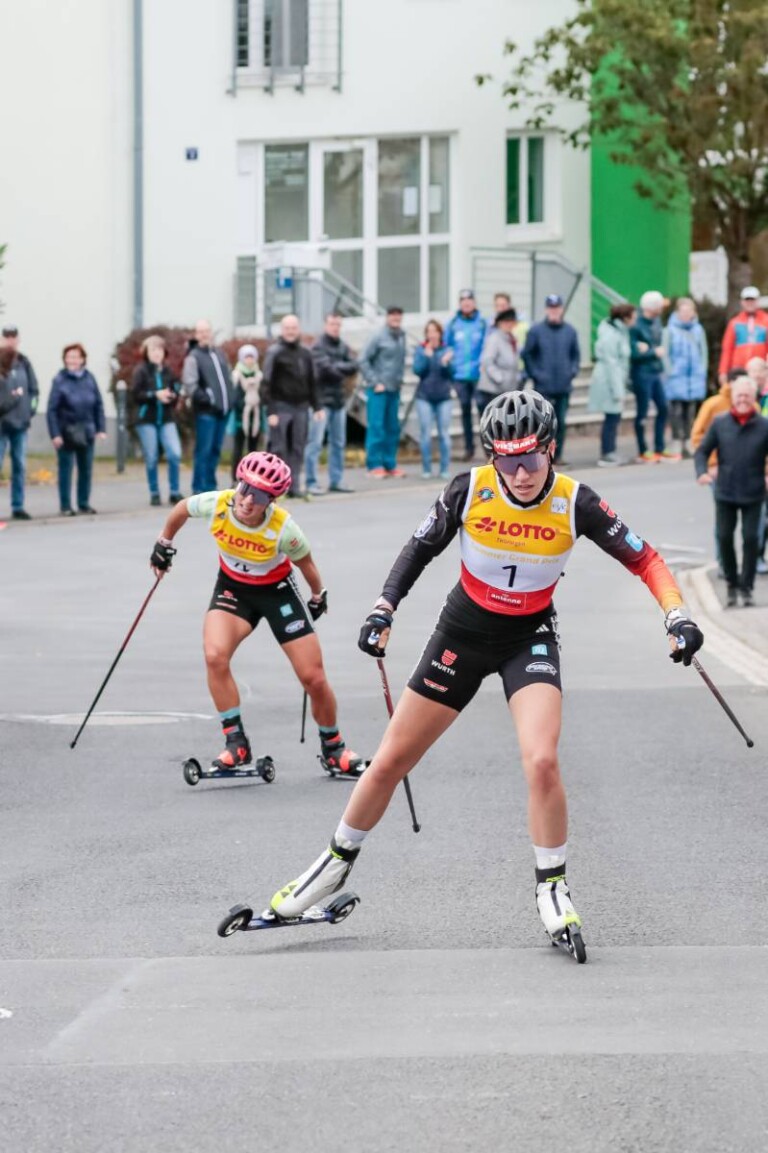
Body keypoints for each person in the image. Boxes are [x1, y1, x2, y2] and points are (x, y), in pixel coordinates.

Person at [261, 391, 703, 951]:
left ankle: (553, 886)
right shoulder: (469, 489)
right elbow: (418, 550)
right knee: (392, 759)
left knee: (541, 760)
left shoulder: (576, 501)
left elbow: (646, 559)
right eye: (507, 459)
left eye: (531, 459)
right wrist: (383, 609)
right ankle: (332, 866)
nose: (519, 473)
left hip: (529, 638)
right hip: (462, 634)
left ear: (551, 449)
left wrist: (677, 615)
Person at [149, 451, 365, 775]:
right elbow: (181, 509)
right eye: (245, 488)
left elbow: (308, 566)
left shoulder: (285, 530)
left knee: (313, 677)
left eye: (260, 495)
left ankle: (333, 747)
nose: (248, 500)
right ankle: (235, 743)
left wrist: (318, 597)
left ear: (272, 500)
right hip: (234, 589)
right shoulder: (218, 504)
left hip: (277, 593)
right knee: (214, 656)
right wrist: (163, 544)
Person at [694, 377, 768, 607]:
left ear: (754, 397)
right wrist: (702, 472)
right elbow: (702, 451)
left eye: (747, 395)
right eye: (739, 396)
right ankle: (731, 584)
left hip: (754, 491)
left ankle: (746, 588)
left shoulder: (764, 425)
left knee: (751, 539)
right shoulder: (720, 422)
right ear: (733, 398)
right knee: (724, 538)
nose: (743, 400)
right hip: (726, 490)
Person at [262, 315, 321, 498]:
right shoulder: (275, 352)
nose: (291, 331)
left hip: (301, 408)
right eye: (287, 328)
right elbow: (266, 383)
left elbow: (312, 380)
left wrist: (317, 406)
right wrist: (270, 410)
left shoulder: (305, 353)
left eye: (294, 327)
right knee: (279, 449)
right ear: (282, 330)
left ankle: (294, 486)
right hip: (280, 407)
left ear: (298, 329)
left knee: (297, 448)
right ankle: (276, 488)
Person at [47, 343, 107, 516]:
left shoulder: (89, 378)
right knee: (65, 470)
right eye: (69, 357)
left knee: (86, 470)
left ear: (82, 359)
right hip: (66, 432)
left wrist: (100, 428)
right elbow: (52, 409)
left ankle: (83, 503)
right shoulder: (59, 380)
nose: (72, 360)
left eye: (75, 357)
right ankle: (65, 506)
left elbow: (98, 404)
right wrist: (55, 433)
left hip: (87, 430)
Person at [521, 295, 581, 464]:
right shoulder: (536, 331)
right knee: (543, 424)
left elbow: (575, 355)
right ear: (547, 309)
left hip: (563, 385)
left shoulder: (570, 331)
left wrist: (572, 371)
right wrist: (536, 374)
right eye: (551, 308)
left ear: (561, 309)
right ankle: (541, 456)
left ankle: (558, 455)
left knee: (560, 422)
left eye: (557, 308)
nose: (554, 311)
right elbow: (527, 354)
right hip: (543, 387)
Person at [305, 313, 359, 495]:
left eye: (338, 324)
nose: (335, 327)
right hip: (321, 403)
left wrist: (338, 367)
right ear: (325, 325)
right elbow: (326, 369)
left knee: (338, 443)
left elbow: (354, 365)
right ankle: (311, 482)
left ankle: (336, 480)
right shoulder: (318, 347)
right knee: (315, 443)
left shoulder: (342, 346)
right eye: (332, 324)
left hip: (338, 402)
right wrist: (340, 368)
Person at [131, 335, 184, 506]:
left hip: (166, 418)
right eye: (153, 349)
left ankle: (174, 492)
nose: (156, 353)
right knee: (152, 456)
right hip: (147, 420)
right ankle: (154, 492)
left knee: (175, 454)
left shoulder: (168, 371)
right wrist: (154, 395)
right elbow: (135, 395)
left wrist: (173, 395)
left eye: (159, 349)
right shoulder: (141, 371)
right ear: (147, 352)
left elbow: (176, 389)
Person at [182, 320, 233, 495]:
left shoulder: (219, 354)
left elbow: (227, 379)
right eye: (201, 331)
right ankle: (198, 487)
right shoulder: (193, 357)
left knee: (215, 450)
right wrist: (208, 399)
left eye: (207, 331)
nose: (204, 334)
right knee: (203, 451)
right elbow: (190, 385)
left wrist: (230, 400)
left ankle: (211, 487)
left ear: (211, 333)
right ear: (196, 335)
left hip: (223, 412)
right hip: (206, 413)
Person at [629, 290, 677, 463]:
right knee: (642, 411)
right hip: (641, 373)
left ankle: (660, 446)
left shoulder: (656, 321)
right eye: (659, 306)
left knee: (663, 407)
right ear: (652, 307)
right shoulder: (636, 325)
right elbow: (633, 353)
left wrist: (650, 351)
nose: (662, 309)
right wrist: (651, 352)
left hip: (656, 371)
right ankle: (643, 450)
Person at [360, 306, 407, 478]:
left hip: (394, 389)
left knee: (392, 428)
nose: (396, 318)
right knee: (377, 427)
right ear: (387, 317)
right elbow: (363, 359)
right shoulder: (378, 336)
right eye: (393, 315)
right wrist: (374, 382)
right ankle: (374, 464)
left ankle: (390, 463)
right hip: (378, 390)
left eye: (398, 316)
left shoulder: (401, 335)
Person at [588, 303, 636, 467]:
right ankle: (607, 453)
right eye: (633, 316)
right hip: (608, 382)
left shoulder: (618, 332)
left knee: (613, 417)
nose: (635, 319)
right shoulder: (612, 334)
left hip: (613, 380)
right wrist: (618, 391)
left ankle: (610, 451)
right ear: (625, 317)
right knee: (612, 418)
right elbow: (612, 364)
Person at [0, 325, 39, 520]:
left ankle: (18, 505)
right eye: (6, 336)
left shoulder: (24, 362)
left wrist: (30, 411)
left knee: (19, 465)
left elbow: (34, 391)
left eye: (13, 336)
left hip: (20, 424)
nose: (10, 340)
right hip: (1, 423)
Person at [662, 297, 708, 458]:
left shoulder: (698, 330)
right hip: (677, 376)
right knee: (676, 409)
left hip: (693, 376)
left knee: (690, 410)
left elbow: (703, 352)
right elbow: (665, 353)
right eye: (683, 311)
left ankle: (689, 439)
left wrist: (702, 370)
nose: (686, 314)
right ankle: (676, 439)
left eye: (689, 311)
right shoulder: (669, 330)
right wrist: (670, 371)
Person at [444, 289, 487, 462]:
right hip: (460, 376)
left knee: (483, 414)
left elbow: (487, 345)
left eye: (469, 300)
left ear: (474, 303)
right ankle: (469, 449)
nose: (466, 303)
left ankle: (488, 450)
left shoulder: (483, 323)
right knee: (465, 413)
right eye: (463, 300)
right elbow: (447, 345)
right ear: (460, 303)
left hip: (478, 375)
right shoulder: (453, 324)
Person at [412, 319, 454, 480]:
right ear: (426, 334)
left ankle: (444, 468)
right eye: (429, 331)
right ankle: (426, 468)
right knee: (425, 434)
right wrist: (426, 358)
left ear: (440, 333)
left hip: (444, 397)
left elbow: (451, 373)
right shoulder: (421, 350)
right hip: (425, 397)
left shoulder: (447, 350)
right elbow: (417, 370)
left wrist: (445, 363)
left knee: (444, 433)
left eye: (435, 331)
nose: (432, 334)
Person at [718, 286, 768, 382]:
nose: (750, 303)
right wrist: (723, 371)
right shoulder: (734, 322)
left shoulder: (766, 321)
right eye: (747, 300)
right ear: (742, 302)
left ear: (757, 301)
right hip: (738, 370)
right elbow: (727, 349)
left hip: (760, 370)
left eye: (752, 300)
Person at [476, 307, 520, 417]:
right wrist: (500, 378)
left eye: (511, 321)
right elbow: (487, 361)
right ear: (499, 323)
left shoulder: (511, 339)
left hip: (506, 391)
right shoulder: (494, 338)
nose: (509, 324)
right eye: (506, 322)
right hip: (492, 391)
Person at [230, 344, 264, 482]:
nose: (249, 360)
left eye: (252, 357)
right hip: (240, 417)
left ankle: (251, 477)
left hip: (255, 417)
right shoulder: (236, 375)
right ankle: (235, 477)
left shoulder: (259, 375)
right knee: (238, 448)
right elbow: (234, 395)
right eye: (246, 357)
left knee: (253, 449)